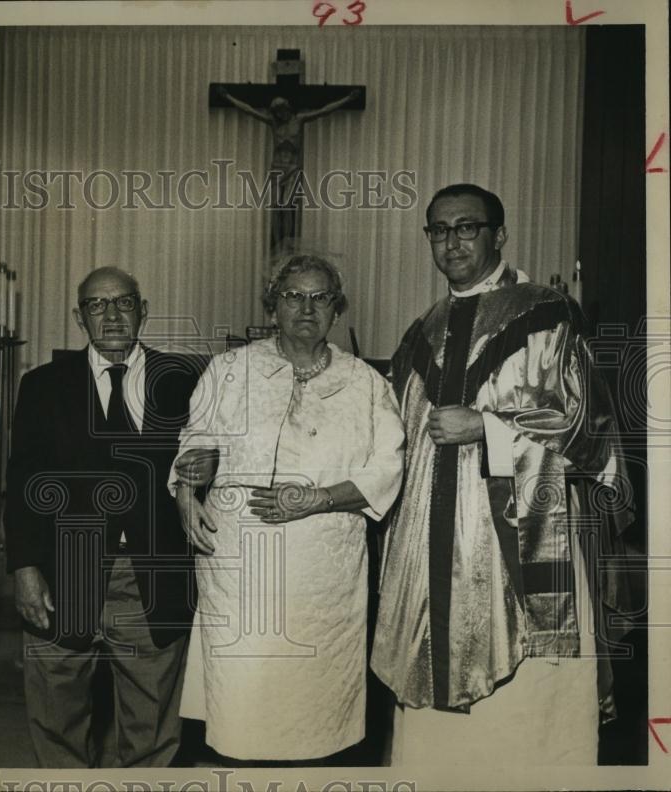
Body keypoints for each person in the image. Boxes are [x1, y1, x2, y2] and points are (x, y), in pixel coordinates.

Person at [370, 184, 637, 764]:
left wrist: (489, 427)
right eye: (438, 230)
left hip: (521, 537)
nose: (451, 242)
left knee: (527, 730)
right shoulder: (423, 331)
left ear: (499, 235)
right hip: (432, 554)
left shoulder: (547, 313)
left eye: (466, 227)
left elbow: (588, 430)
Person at [171, 254, 404, 762]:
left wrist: (317, 499)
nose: (307, 307)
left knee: (315, 720)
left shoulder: (365, 384)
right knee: (240, 710)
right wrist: (188, 493)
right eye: (293, 296)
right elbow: (196, 443)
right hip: (239, 577)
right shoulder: (231, 369)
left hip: (322, 583)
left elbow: (387, 470)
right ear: (272, 306)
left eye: (320, 297)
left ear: (336, 310)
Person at [4, 266, 198, 768]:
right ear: (79, 317)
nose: (111, 315)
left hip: (151, 581)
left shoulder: (183, 383)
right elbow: (23, 484)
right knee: (57, 717)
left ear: (143, 311)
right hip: (62, 574)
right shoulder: (43, 386)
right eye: (97, 304)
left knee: (153, 728)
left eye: (123, 303)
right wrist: (24, 569)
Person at [215, 87, 361, 251]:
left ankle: (287, 243)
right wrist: (228, 97)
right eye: (276, 112)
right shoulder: (273, 123)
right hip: (276, 168)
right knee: (275, 207)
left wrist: (347, 99)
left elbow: (324, 111)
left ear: (287, 108)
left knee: (287, 206)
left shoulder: (299, 120)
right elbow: (250, 110)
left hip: (292, 168)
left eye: (281, 110)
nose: (279, 114)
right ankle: (277, 244)